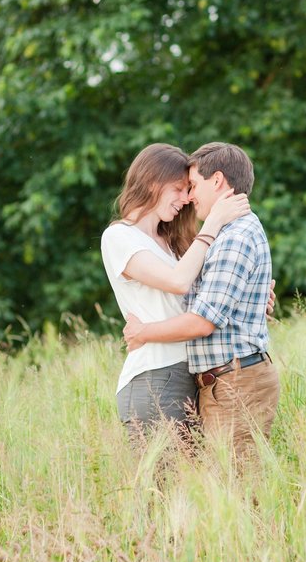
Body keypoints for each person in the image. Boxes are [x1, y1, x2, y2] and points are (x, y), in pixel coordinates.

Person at [123, 142, 279, 468]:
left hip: (236, 381)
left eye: (192, 186)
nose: (190, 197)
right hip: (223, 381)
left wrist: (144, 332)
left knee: (237, 489)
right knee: (222, 486)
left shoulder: (234, 235)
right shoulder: (224, 234)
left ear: (218, 181)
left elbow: (203, 321)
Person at [100, 142, 252, 443]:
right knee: (166, 487)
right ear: (153, 182)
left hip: (189, 375)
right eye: (179, 189)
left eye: (189, 189)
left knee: (193, 486)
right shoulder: (119, 236)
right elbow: (178, 282)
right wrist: (215, 221)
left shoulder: (170, 243)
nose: (186, 199)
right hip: (155, 376)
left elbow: (204, 298)